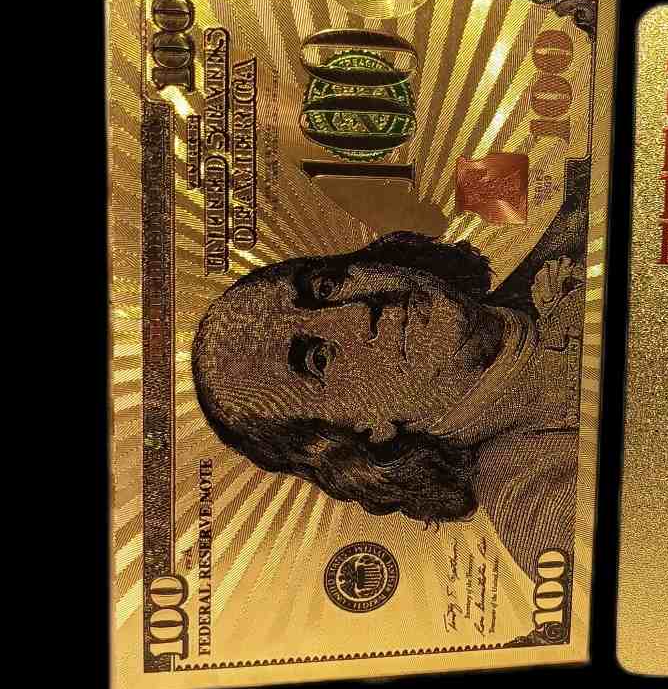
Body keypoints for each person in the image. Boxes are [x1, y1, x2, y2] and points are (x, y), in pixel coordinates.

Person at [192, 159, 591, 579]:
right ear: (366, 434)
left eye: (325, 287)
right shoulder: (543, 504)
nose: (357, 313)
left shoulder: (564, 205)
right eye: (318, 358)